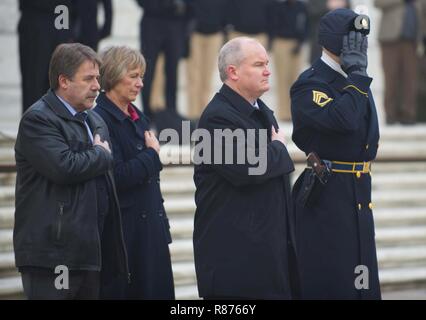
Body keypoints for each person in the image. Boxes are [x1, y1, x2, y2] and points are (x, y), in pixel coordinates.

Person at [13, 43, 129, 300]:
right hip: (53, 257)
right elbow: (64, 168)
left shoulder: (94, 119)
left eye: (97, 78)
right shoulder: (38, 119)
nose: (97, 86)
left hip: (90, 253)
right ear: (63, 81)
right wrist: (100, 154)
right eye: (88, 79)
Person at [193, 37, 298, 299]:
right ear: (233, 72)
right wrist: (278, 149)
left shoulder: (262, 111)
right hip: (235, 258)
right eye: (259, 64)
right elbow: (249, 167)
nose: (267, 71)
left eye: (267, 63)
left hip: (268, 253)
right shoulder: (217, 117)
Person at [290, 9, 381, 299]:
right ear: (334, 41)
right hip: (328, 196)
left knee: (362, 282)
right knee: (335, 280)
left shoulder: (354, 79)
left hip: (357, 195)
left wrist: (356, 77)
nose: (360, 46)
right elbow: (344, 120)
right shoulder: (311, 83)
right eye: (354, 39)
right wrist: (357, 77)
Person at [94, 46, 175, 299]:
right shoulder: (99, 120)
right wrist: (152, 156)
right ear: (113, 75)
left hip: (151, 231)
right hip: (126, 237)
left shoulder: (138, 117)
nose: (141, 83)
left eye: (142, 76)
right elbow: (115, 177)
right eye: (133, 76)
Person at [375, 0, 425, 125]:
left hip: (412, 40)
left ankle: (408, 115)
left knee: (410, 79)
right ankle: (390, 115)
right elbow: (378, 3)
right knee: (391, 77)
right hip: (390, 38)